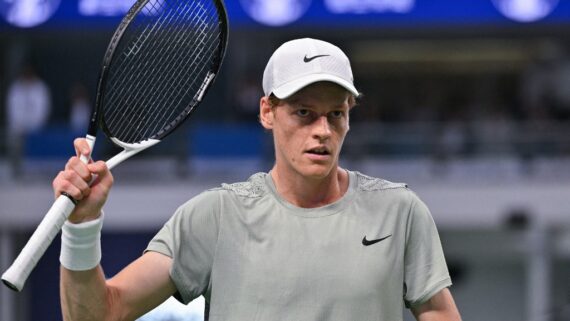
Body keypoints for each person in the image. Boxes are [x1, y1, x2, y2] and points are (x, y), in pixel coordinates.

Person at [55, 38, 462, 321]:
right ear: (267, 112)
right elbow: (102, 313)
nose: (322, 130)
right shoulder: (214, 217)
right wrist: (81, 227)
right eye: (304, 113)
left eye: (335, 114)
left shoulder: (400, 212)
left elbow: (439, 312)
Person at [5, 63, 52, 178]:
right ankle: (15, 170)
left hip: (37, 127)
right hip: (19, 128)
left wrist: (34, 126)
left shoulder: (40, 88)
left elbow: (43, 109)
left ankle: (40, 172)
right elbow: (12, 110)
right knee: (13, 138)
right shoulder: (16, 88)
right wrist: (20, 126)